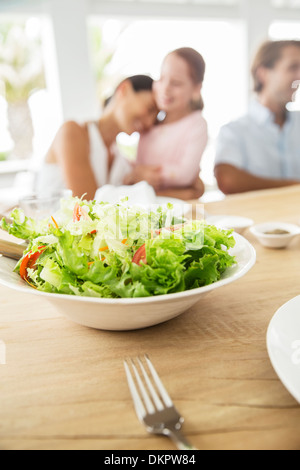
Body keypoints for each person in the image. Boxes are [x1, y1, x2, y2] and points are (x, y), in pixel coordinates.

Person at [36, 75, 158, 200]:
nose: (149, 123)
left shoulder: (120, 160)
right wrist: (137, 192)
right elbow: (87, 205)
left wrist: (135, 182)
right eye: (150, 109)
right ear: (124, 89)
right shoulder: (71, 132)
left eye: (155, 119)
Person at [214, 40, 300, 195]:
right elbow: (228, 181)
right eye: (293, 67)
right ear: (263, 73)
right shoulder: (234, 131)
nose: (299, 75)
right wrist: (294, 186)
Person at [124, 47, 208, 200]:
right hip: (146, 206)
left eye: (176, 83)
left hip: (180, 208)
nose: (166, 88)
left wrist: (144, 174)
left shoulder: (196, 124)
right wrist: (136, 173)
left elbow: (185, 174)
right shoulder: (148, 123)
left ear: (196, 89)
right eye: (161, 79)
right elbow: (133, 167)